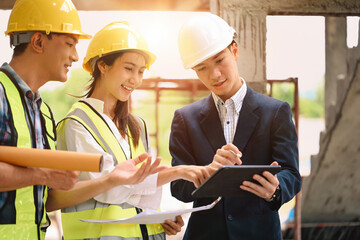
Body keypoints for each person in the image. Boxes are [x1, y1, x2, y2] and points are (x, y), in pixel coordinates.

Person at [49, 21, 212, 240]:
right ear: (103, 66)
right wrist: (178, 172)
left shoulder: (136, 126)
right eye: (128, 68)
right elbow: (109, 188)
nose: (135, 80)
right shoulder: (77, 124)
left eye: (141, 72)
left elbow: (140, 194)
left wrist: (158, 217)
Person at [170, 13, 302, 240]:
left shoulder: (276, 112)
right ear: (194, 71)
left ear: (235, 51)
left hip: (259, 233)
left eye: (220, 60)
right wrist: (206, 172)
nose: (215, 75)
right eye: (202, 68)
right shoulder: (185, 118)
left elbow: (292, 173)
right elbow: (177, 186)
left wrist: (276, 189)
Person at [0, 0, 91, 239]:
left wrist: (114, 180)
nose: (75, 56)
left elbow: (47, 198)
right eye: (70, 44)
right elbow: (42, 177)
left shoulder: (44, 113)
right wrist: (42, 174)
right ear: (38, 42)